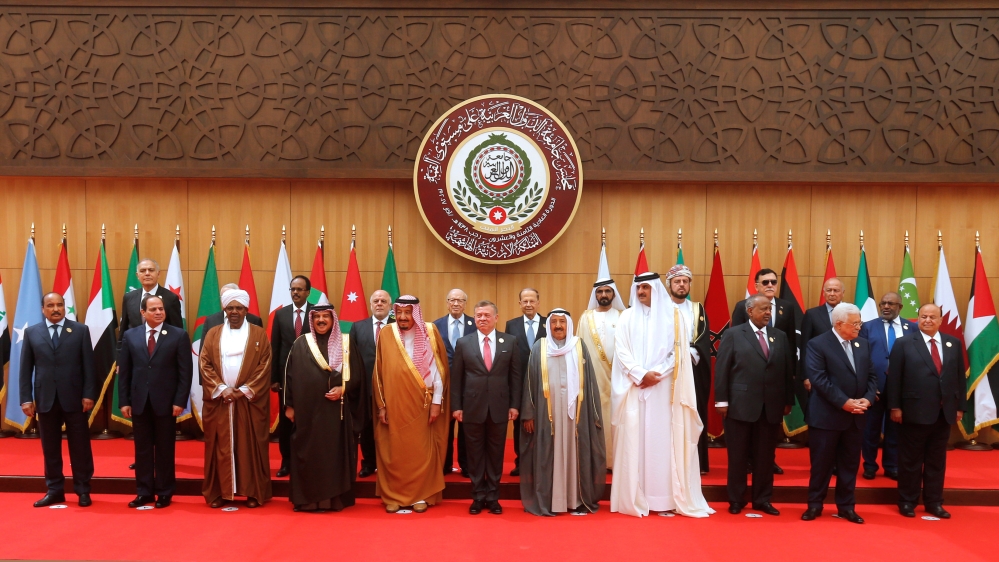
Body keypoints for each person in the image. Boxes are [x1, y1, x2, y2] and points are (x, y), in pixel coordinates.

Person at [610, 272, 713, 518]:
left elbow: (678, 353)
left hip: (665, 390)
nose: (641, 291)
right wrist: (639, 373)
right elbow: (621, 350)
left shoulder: (674, 316)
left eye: (646, 287)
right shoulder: (626, 317)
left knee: (662, 442)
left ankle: (663, 497)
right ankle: (637, 496)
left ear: (656, 289)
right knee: (635, 440)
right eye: (638, 287)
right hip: (635, 388)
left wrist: (657, 374)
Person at [714, 294, 794, 516]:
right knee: (738, 457)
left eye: (770, 309)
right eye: (763, 309)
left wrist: (788, 401)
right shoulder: (733, 335)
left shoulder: (780, 337)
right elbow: (722, 370)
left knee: (765, 457)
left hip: (771, 408)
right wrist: (721, 401)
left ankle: (762, 499)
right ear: (750, 311)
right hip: (739, 407)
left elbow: (787, 371)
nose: (768, 313)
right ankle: (736, 499)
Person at [520, 309, 605, 516]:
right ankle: (551, 500)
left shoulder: (578, 345)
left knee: (574, 452)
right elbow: (530, 381)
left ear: (569, 324)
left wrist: (593, 413)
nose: (558, 326)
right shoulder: (540, 347)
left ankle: (574, 499)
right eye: (554, 322)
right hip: (546, 412)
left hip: (575, 413)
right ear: (548, 325)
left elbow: (590, 381)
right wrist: (528, 413)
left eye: (562, 322)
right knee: (549, 453)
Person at [887, 303, 966, 519]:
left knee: (936, 461)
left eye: (932, 317)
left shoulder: (953, 343)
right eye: (924, 316)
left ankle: (934, 502)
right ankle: (907, 501)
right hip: (913, 412)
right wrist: (895, 406)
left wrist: (960, 406)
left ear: (941, 320)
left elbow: (959, 377)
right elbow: (894, 378)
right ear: (917, 319)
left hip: (944, 413)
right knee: (910, 461)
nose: (928, 320)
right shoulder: (904, 343)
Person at [801, 303, 878, 524]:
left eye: (859, 322)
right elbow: (819, 380)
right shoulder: (817, 344)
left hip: (856, 417)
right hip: (826, 417)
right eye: (855, 323)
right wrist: (844, 402)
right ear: (839, 323)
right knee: (821, 465)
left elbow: (872, 376)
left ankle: (846, 506)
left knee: (850, 465)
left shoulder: (863, 344)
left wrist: (868, 399)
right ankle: (815, 505)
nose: (859, 327)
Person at [373, 296, 450, 513]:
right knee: (395, 451)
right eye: (399, 313)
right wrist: (382, 405)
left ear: (415, 312)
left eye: (408, 312)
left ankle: (421, 495)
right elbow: (378, 372)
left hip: (422, 403)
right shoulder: (386, 333)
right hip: (394, 403)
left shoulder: (429, 331)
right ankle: (393, 495)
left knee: (421, 451)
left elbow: (438, 371)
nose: (403, 317)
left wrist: (437, 402)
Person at [19, 293, 95, 508]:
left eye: (59, 305)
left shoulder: (80, 330)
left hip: (75, 399)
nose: (55, 309)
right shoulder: (32, 333)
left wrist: (88, 394)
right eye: (50, 305)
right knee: (50, 448)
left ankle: (83, 490)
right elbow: (26, 369)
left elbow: (89, 366)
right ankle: (55, 490)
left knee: (80, 447)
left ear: (65, 307)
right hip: (45, 399)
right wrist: (26, 399)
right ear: (43, 308)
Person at [117, 294, 193, 509]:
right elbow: (125, 373)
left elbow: (184, 373)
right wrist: (124, 401)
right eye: (153, 309)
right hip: (139, 402)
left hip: (167, 403)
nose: (159, 312)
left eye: (161, 309)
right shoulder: (131, 336)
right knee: (142, 450)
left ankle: (165, 491)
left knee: (165, 449)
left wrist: (180, 401)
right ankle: (144, 492)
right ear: (143, 313)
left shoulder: (178, 335)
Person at [200, 289, 273, 508]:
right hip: (220, 401)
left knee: (250, 446)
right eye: (230, 308)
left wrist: (243, 390)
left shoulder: (259, 333)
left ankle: (252, 493)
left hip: (249, 402)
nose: (234, 312)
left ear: (246, 310)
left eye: (238, 308)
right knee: (218, 446)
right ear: (224, 310)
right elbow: (205, 363)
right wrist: (222, 389)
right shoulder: (213, 333)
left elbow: (265, 365)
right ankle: (219, 493)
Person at [284, 305, 360, 512]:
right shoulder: (301, 343)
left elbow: (357, 375)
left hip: (335, 414)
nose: (321, 320)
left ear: (333, 319)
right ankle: (307, 500)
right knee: (308, 454)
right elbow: (289, 377)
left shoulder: (346, 343)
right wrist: (289, 406)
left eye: (325, 316)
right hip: (307, 412)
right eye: (316, 316)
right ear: (311, 320)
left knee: (332, 456)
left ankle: (332, 499)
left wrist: (343, 389)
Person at [451, 300, 522, 515]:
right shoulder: (464, 342)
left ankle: (493, 497)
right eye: (479, 315)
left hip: (500, 408)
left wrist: (514, 405)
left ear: (496, 318)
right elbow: (457, 379)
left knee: (495, 454)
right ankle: (477, 497)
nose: (482, 318)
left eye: (487, 315)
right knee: (474, 455)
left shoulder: (509, 341)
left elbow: (515, 377)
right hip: (472, 407)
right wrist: (457, 406)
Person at [731, 268, 796, 474]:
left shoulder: (787, 307)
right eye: (765, 282)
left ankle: (768, 461)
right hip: (749, 378)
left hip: (775, 378)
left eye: (773, 282)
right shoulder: (743, 306)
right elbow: (736, 340)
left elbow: (791, 343)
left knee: (769, 428)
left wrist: (791, 373)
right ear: (756, 285)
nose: (770, 285)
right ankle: (749, 460)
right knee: (749, 425)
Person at [858, 292, 915, 481]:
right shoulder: (867, 327)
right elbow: (862, 359)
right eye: (883, 303)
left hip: (901, 390)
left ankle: (892, 466)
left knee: (895, 430)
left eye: (891, 303)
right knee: (870, 429)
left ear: (900, 307)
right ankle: (870, 465)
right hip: (875, 388)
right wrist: (868, 386)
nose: (886, 307)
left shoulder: (912, 328)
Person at [666, 264, 712, 473]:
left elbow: (703, 337)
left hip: (693, 369)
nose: (681, 285)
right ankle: (669, 462)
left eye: (685, 281)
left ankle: (697, 462)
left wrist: (689, 354)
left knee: (694, 412)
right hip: (667, 370)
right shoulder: (660, 310)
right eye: (677, 281)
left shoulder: (697, 308)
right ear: (669, 285)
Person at [577, 278, 624, 470]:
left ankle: (617, 461)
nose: (603, 295)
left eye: (607, 291)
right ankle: (597, 461)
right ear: (595, 295)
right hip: (593, 377)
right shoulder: (585, 317)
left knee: (617, 418)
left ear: (613, 294)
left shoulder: (623, 316)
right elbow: (579, 349)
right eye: (599, 292)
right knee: (595, 418)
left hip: (619, 378)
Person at [269, 275, 312, 478]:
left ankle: (306, 461)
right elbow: (275, 347)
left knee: (308, 421)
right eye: (292, 289)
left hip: (311, 377)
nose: (295, 292)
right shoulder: (281, 315)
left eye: (299, 289)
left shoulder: (317, 313)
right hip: (286, 378)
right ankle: (286, 462)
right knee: (287, 423)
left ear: (308, 292)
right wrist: (274, 378)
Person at [348, 289, 392, 479]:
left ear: (390, 306)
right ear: (370, 304)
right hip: (365, 387)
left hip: (392, 387)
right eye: (376, 300)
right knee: (366, 428)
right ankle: (368, 464)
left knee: (389, 427)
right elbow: (351, 358)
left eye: (383, 301)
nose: (379, 303)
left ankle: (388, 464)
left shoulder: (397, 325)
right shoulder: (358, 327)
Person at [433, 288, 475, 477]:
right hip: (444, 383)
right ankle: (445, 464)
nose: (456, 303)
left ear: (465, 304)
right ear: (447, 302)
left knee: (467, 426)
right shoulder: (435, 325)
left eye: (460, 300)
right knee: (444, 427)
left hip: (469, 384)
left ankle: (466, 466)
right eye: (452, 300)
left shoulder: (475, 325)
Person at [504, 288, 545, 476]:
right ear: (519, 304)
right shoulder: (511, 325)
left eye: (532, 301)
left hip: (544, 383)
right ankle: (521, 462)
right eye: (524, 301)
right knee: (520, 424)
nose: (528, 304)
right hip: (519, 383)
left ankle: (541, 462)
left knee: (544, 422)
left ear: (538, 302)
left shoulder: (548, 323)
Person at [799, 278, 846, 405]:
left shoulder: (851, 313)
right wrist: (806, 376)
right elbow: (804, 347)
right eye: (828, 290)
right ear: (823, 293)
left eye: (836, 290)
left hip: (845, 373)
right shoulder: (812, 314)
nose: (832, 294)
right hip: (819, 373)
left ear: (843, 293)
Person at [118, 259, 183, 343]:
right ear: (137, 275)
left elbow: (177, 330)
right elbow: (124, 328)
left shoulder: (171, 298)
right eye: (143, 271)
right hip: (135, 351)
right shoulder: (129, 297)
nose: (147, 273)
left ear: (158, 274)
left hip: (162, 349)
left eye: (151, 270)